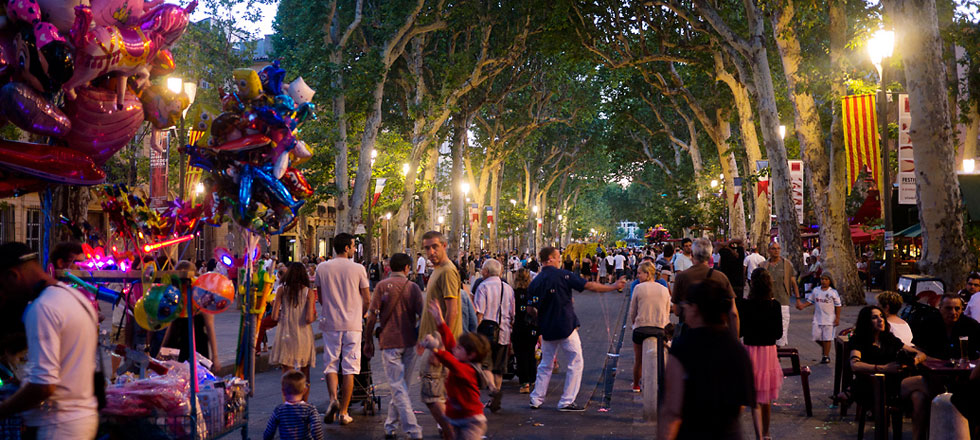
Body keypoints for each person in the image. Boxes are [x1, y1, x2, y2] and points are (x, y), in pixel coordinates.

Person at [0, 242, 99, 439]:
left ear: (13, 276)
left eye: (2, 287)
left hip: (58, 427)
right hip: (79, 420)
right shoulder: (72, 297)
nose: (4, 295)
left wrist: (3, 410)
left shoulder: (43, 307)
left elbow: (43, 385)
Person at [529, 246, 625, 411]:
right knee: (575, 360)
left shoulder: (535, 281)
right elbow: (590, 286)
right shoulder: (563, 275)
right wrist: (614, 286)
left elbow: (530, 308)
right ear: (550, 258)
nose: (560, 259)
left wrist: (540, 315)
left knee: (545, 363)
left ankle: (536, 399)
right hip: (566, 325)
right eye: (558, 257)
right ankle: (566, 401)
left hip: (546, 327)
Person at [658, 278, 755, 440]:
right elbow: (740, 405)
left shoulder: (683, 347)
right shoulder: (737, 350)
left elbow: (672, 410)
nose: (684, 308)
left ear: (695, 309)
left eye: (686, 304)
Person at [364, 253, 424, 440]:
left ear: (390, 267)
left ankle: (411, 429)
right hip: (409, 341)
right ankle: (392, 425)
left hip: (389, 341)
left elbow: (372, 316)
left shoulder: (382, 287)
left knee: (398, 386)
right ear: (407, 268)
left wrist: (367, 340)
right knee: (400, 386)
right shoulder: (413, 288)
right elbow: (423, 316)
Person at [315, 233, 370, 426]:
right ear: (346, 248)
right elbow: (367, 297)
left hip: (330, 322)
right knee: (350, 369)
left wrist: (329, 307)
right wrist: (361, 313)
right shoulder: (358, 269)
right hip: (353, 325)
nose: (354, 249)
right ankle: (344, 412)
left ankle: (332, 400)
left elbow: (320, 296)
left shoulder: (322, 268)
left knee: (330, 364)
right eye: (353, 246)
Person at [419, 300, 491, 440]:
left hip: (471, 421)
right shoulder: (462, 359)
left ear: (471, 355)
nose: (455, 349)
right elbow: (450, 343)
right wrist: (440, 321)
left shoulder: (468, 370)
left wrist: (436, 349)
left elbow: (451, 362)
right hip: (457, 417)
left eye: (460, 348)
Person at [417, 231, 462, 440]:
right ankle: (448, 432)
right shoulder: (437, 270)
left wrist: (441, 346)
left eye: (435, 246)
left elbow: (452, 310)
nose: (431, 251)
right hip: (433, 341)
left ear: (444, 245)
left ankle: (450, 432)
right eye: (427, 248)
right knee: (439, 394)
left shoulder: (447, 271)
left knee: (431, 394)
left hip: (440, 343)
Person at [736, 268, 783, 440]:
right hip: (768, 353)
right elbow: (778, 334)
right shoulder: (775, 305)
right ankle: (766, 433)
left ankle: (734, 427)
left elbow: (740, 331)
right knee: (766, 398)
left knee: (747, 393)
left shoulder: (744, 304)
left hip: (750, 350)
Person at [671, 238, 740, 338]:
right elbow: (733, 313)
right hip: (716, 334)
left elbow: (677, 311)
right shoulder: (721, 278)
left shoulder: (682, 277)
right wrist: (735, 341)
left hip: (689, 335)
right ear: (710, 255)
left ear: (692, 254)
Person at [269, 262, 317, 402]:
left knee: (287, 372)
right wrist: (314, 316)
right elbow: (309, 318)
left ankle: (288, 403)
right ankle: (303, 403)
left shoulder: (281, 290)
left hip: (286, 333)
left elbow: (274, 316)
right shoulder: (308, 292)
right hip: (303, 335)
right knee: (305, 372)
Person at [472, 259, 514, 412]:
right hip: (504, 332)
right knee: (498, 367)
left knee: (484, 364)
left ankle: (493, 390)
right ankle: (493, 399)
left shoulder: (483, 286)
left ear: (486, 271)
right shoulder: (508, 288)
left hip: (486, 332)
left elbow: (479, 313)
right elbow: (512, 314)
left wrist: (473, 331)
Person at [163, 260, 220, 371]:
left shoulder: (201, 294)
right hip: (177, 342)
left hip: (196, 344)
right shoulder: (175, 295)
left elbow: (209, 326)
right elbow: (171, 324)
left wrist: (215, 357)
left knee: (196, 378)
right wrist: (163, 349)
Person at [628, 261, 671, 393]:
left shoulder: (638, 288)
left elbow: (632, 312)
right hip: (660, 329)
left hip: (641, 329)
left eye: (639, 273)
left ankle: (636, 385)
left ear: (647, 274)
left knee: (638, 359)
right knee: (664, 358)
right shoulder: (664, 289)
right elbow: (667, 311)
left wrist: (634, 324)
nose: (638, 276)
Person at [263, 370, 324, 440]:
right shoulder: (309, 409)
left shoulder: (279, 410)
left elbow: (269, 432)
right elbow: (316, 429)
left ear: (283, 391)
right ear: (304, 390)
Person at [761, 242, 800, 347]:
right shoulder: (763, 265)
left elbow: (793, 282)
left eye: (778, 248)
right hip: (768, 300)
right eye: (773, 248)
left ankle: (779, 349)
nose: (776, 251)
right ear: (769, 250)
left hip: (783, 300)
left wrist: (798, 299)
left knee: (783, 324)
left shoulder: (787, 264)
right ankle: (771, 347)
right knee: (769, 324)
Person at [797, 273, 842, 364]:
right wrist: (802, 306)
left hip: (829, 319)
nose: (823, 281)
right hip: (817, 318)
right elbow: (811, 301)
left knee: (827, 338)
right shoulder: (816, 290)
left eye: (826, 279)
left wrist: (837, 318)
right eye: (822, 279)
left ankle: (826, 356)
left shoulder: (833, 292)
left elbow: (838, 305)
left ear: (830, 281)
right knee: (816, 337)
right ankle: (825, 348)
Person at [510, 269, 537, 394]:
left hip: (518, 325)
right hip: (531, 326)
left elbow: (511, 310)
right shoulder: (532, 293)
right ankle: (533, 378)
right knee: (530, 352)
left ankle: (524, 382)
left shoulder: (513, 293)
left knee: (520, 354)